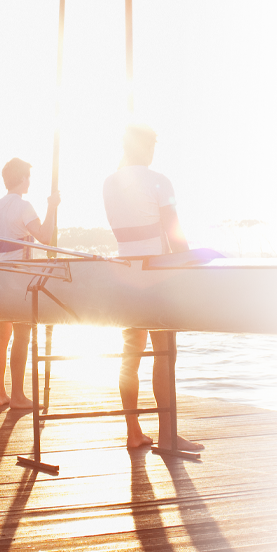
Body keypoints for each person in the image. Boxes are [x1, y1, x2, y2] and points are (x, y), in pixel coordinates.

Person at [102, 124, 204, 452]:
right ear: (147, 148)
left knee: (130, 355)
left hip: (124, 277)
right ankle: (167, 435)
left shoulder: (109, 183)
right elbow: (174, 236)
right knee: (164, 354)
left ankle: (134, 432)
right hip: (157, 278)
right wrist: (194, 266)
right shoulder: (159, 180)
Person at [0, 158, 59, 409]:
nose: (31, 181)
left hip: (1, 276)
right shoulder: (24, 206)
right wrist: (52, 207)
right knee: (22, 336)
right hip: (20, 278)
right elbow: (45, 236)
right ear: (22, 179)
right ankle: (17, 396)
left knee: (1, 335)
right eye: (29, 176)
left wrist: (0, 274)